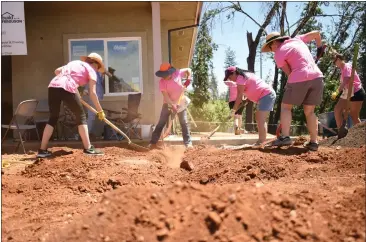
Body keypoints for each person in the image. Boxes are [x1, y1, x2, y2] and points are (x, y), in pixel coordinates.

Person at [261, 31, 325, 151]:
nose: (271, 50)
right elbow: (317, 33)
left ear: (274, 42)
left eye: (270, 47)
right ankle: (314, 142)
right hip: (317, 77)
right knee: (310, 111)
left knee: (286, 106)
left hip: (299, 77)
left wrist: (290, 84)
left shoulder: (279, 54)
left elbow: (290, 73)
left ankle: (285, 136)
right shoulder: (297, 39)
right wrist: (319, 47)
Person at [36, 53, 106, 158]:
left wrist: (75, 89)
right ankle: (88, 148)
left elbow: (57, 71)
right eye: (98, 67)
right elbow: (93, 93)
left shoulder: (75, 63)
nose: (97, 69)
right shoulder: (91, 70)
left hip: (53, 85)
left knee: (53, 117)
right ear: (95, 64)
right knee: (81, 116)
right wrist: (100, 111)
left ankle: (42, 150)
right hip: (67, 86)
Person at [224, 66, 276, 146]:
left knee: (260, 119)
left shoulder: (240, 78)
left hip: (266, 94)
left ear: (234, 73)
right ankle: (262, 141)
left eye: (230, 77)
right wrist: (246, 99)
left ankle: (261, 141)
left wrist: (233, 111)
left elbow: (239, 96)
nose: (230, 79)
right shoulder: (245, 75)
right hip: (265, 95)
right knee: (259, 118)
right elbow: (254, 87)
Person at [149, 63, 193, 150]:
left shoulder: (177, 73)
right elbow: (165, 96)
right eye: (163, 75)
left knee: (184, 122)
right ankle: (153, 143)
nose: (164, 77)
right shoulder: (162, 82)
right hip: (168, 104)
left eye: (165, 74)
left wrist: (188, 79)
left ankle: (188, 143)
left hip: (180, 102)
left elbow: (189, 70)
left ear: (170, 72)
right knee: (161, 123)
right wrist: (172, 104)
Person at [332, 53, 365, 128]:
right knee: (337, 110)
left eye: (334, 62)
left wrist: (337, 91)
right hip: (348, 92)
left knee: (354, 116)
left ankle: (362, 134)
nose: (334, 64)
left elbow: (347, 79)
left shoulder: (346, 66)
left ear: (339, 59)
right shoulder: (342, 69)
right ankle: (342, 131)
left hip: (357, 92)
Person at [83, 71, 105, 140]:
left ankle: (89, 134)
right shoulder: (92, 71)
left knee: (94, 117)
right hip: (93, 97)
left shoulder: (99, 73)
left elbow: (99, 83)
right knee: (91, 116)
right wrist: (86, 89)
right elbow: (89, 80)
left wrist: (102, 75)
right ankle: (85, 136)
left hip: (98, 96)